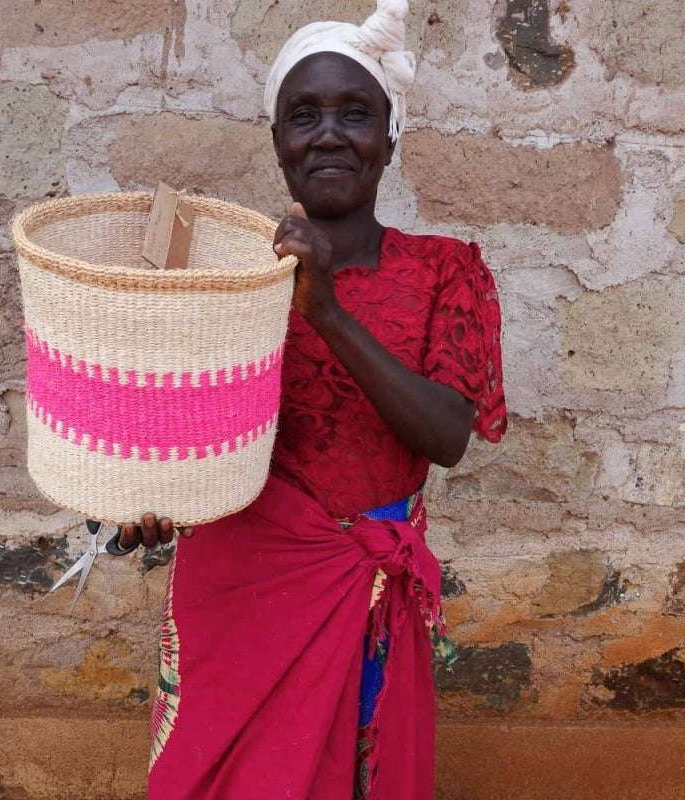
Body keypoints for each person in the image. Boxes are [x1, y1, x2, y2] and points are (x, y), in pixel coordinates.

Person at [119, 1, 506, 798]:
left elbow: (445, 433)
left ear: (390, 136)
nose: (329, 134)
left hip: (366, 596)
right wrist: (146, 502)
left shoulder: (445, 273)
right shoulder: (232, 282)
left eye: (355, 113)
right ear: (277, 142)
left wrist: (324, 310)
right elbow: (180, 431)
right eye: (304, 115)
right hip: (238, 589)